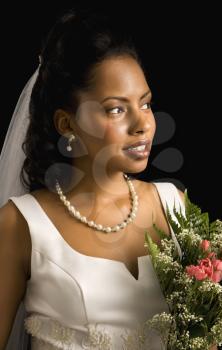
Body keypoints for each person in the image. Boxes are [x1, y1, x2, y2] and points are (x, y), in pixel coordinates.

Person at [0, 9, 187, 350]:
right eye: (116, 109)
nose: (142, 124)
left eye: (144, 104)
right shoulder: (20, 224)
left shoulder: (174, 204)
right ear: (67, 124)